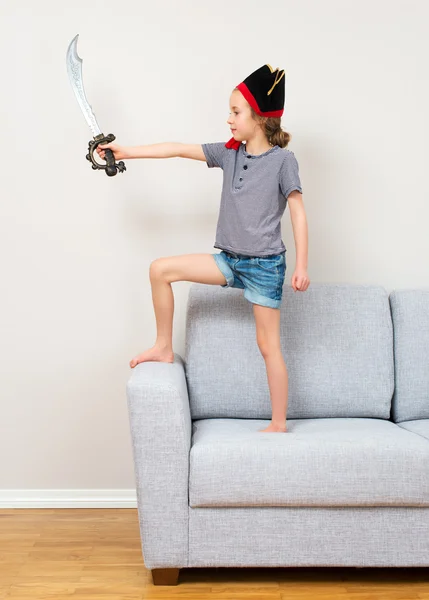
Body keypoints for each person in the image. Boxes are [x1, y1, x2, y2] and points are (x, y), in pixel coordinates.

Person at [96, 64, 310, 433]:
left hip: (264, 266)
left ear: (260, 117)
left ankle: (278, 424)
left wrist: (301, 266)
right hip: (229, 260)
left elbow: (298, 211)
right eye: (229, 111)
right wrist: (125, 151)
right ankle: (163, 345)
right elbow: (177, 149)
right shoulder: (229, 154)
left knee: (267, 345)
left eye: (235, 112)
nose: (228, 119)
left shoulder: (282, 161)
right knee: (160, 270)